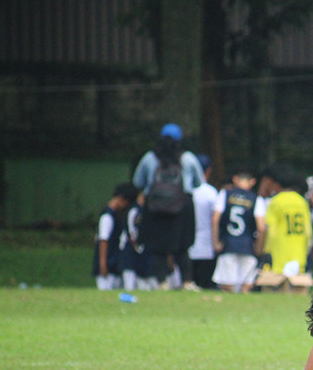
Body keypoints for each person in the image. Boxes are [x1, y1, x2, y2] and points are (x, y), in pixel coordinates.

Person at [132, 123, 205, 291]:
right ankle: (187, 282)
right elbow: (199, 182)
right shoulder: (188, 158)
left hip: (155, 206)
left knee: (157, 246)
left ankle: (161, 282)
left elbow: (138, 181)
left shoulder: (150, 157)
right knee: (182, 245)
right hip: (182, 206)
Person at [212, 166, 265, 293]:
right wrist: (259, 246)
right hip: (248, 245)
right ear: (253, 182)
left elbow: (215, 219)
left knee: (227, 286)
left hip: (228, 243)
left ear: (235, 180)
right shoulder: (256, 199)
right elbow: (261, 227)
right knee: (246, 286)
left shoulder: (225, 194)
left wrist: (216, 242)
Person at [260, 164, 313, 278]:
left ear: (277, 184)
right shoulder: (302, 201)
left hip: (279, 251)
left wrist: (266, 250)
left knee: (277, 285)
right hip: (299, 251)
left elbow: (271, 230)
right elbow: (308, 230)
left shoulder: (275, 201)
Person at [92, 183, 136, 290]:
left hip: (113, 264)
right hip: (108, 265)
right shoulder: (107, 216)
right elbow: (103, 240)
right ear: (121, 199)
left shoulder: (115, 215)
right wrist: (103, 264)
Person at [189, 154, 220, 290]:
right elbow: (216, 220)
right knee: (206, 286)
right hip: (207, 247)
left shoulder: (187, 190)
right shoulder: (211, 193)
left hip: (187, 247)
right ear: (208, 171)